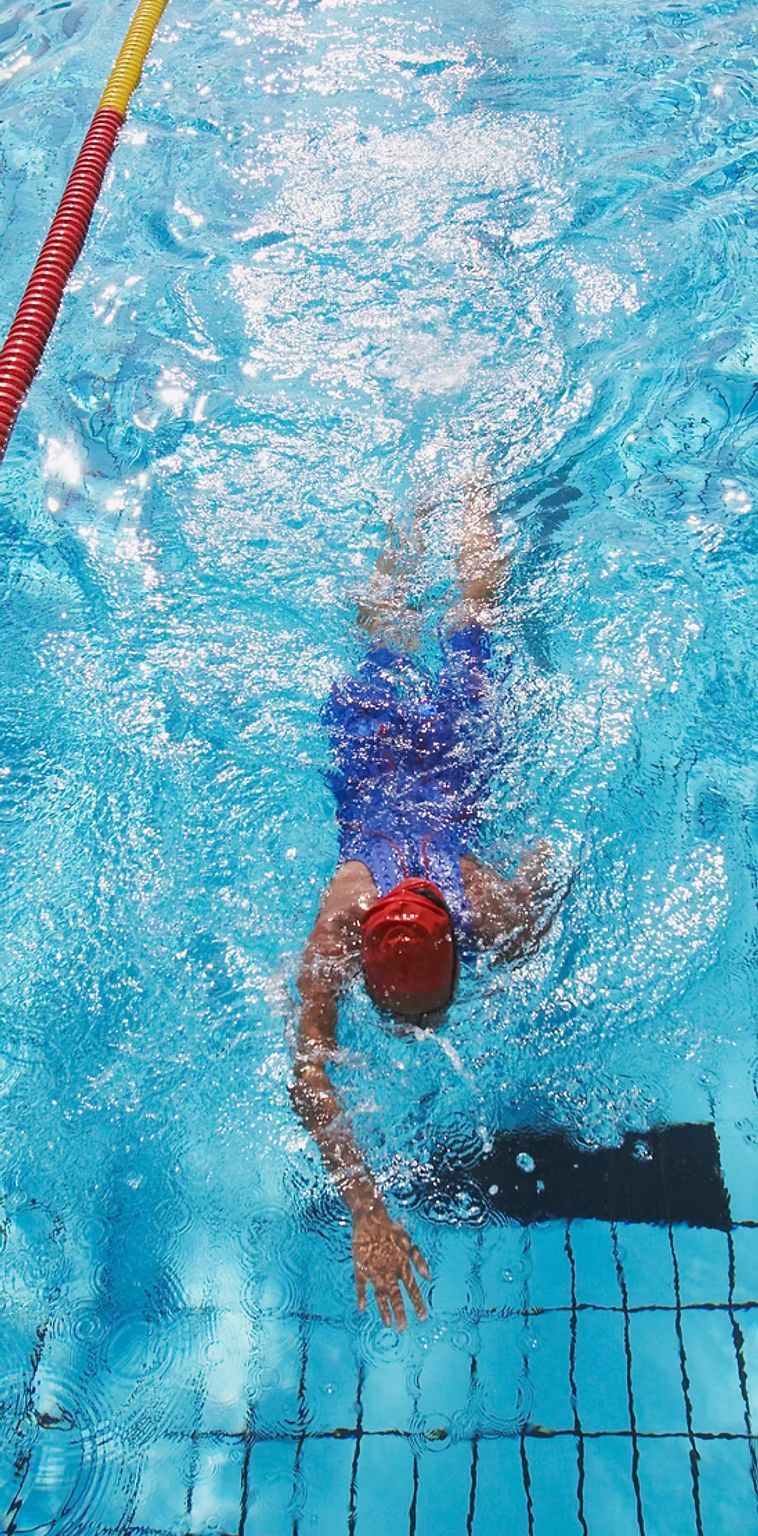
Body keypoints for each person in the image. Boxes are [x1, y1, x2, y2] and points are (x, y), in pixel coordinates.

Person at [290, 479, 558, 1330]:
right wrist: (368, 1210)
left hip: (451, 766)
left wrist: (367, 1207)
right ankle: (427, 499)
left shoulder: (473, 909)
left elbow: (548, 864)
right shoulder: (347, 916)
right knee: (398, 629)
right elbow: (307, 1070)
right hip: (376, 762)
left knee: (473, 616)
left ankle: (453, 489)